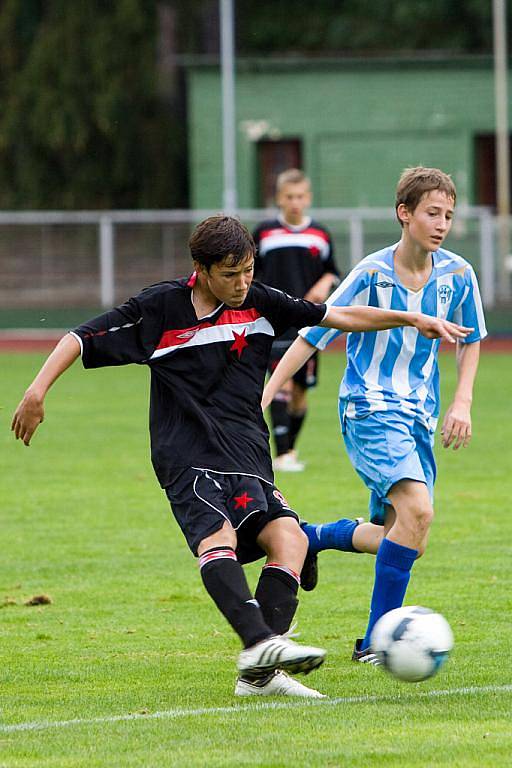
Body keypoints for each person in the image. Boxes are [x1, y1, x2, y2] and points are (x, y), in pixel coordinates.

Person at [12, 214, 471, 698]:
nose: (242, 283)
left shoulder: (260, 302)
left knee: (290, 540)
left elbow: (337, 316)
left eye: (248, 270)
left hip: (247, 452)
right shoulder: (160, 308)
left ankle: (260, 678)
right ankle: (259, 645)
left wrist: (411, 318)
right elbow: (80, 337)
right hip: (186, 452)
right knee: (218, 537)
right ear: (201, 269)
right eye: (231, 274)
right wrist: (37, 391)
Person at [262, 167, 486, 664]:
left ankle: (311, 536)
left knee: (401, 536)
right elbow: (310, 335)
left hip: (417, 417)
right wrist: (265, 395)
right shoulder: (369, 275)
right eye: (432, 212)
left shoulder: (458, 275)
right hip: (368, 408)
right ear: (404, 214)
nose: (442, 223)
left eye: (448, 214)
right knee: (419, 512)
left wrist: (462, 401)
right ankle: (375, 643)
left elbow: (470, 340)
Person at [253, 169, 339, 472]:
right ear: (279, 198)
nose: (294, 202)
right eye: (289, 196)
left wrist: (325, 282)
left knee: (300, 394)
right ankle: (284, 453)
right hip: (273, 321)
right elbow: (250, 272)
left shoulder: (320, 234)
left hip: (308, 321)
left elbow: (333, 270)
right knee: (280, 385)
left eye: (300, 196)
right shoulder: (264, 233)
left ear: (308, 198)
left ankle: (290, 449)